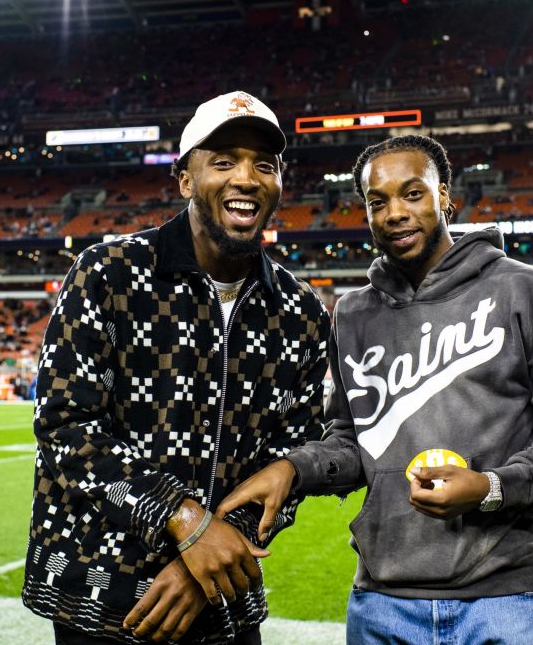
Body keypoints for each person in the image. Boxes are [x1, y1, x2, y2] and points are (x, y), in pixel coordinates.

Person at [218, 134, 533, 645]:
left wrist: (490, 488)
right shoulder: (355, 313)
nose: (394, 214)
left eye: (412, 194)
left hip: (505, 603)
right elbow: (351, 441)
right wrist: (296, 468)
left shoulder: (528, 291)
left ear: (445, 196)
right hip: (381, 602)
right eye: (376, 202)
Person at [21, 91, 332, 644]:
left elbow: (293, 455)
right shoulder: (108, 274)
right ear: (185, 179)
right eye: (223, 161)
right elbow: (67, 429)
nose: (246, 177)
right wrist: (187, 522)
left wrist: (208, 556)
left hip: (221, 600)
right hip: (103, 601)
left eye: (265, 164)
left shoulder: (300, 310)